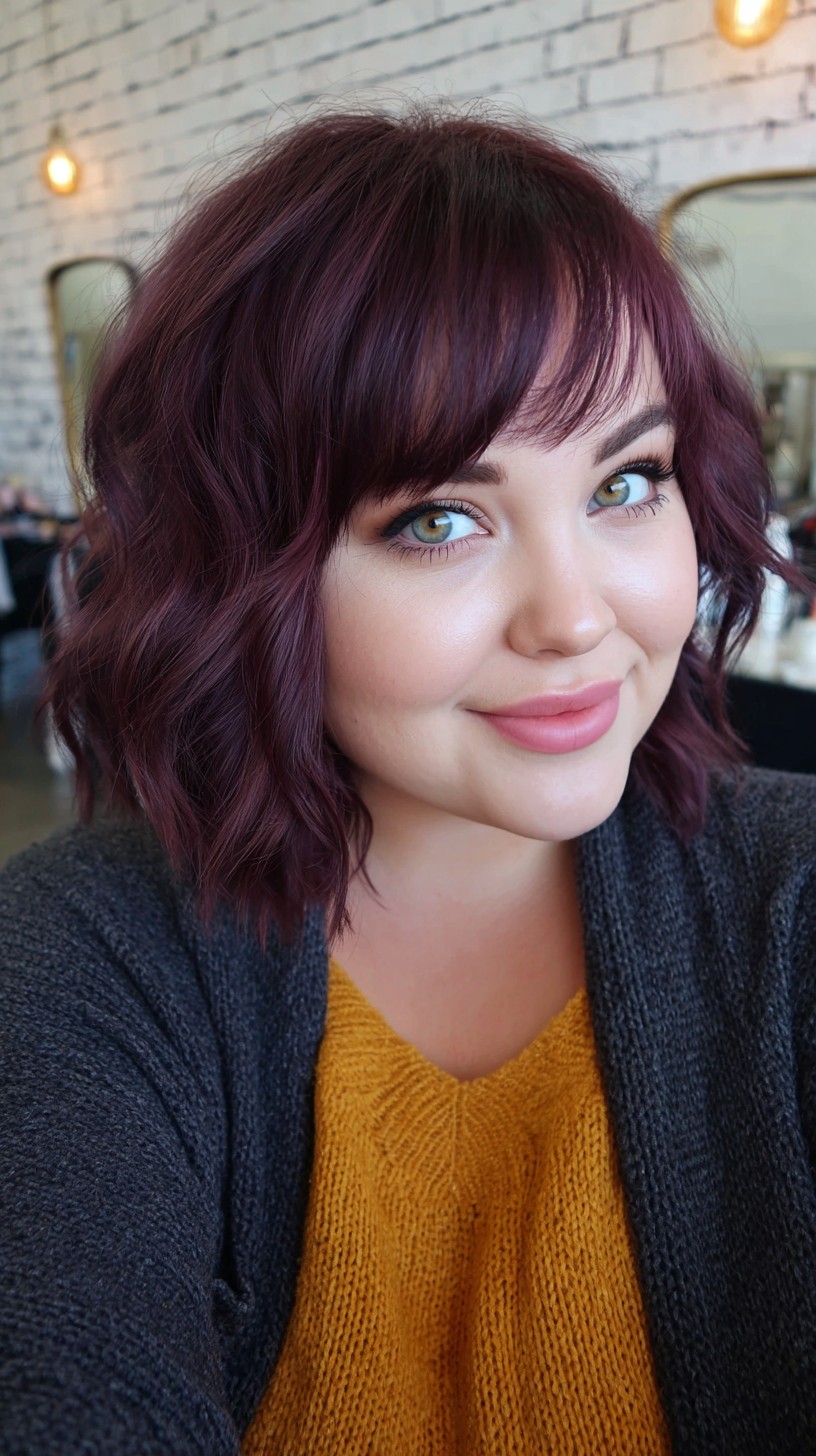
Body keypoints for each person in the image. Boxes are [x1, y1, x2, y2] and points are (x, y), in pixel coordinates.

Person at [1, 102, 815, 1456]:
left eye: (627, 481)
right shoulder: (91, 958)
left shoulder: (790, 906)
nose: (574, 618)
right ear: (239, 573)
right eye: (440, 519)